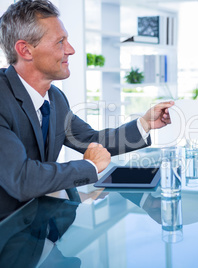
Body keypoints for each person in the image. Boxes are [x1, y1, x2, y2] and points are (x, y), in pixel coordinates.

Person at [0, 0, 174, 219]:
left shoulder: (55, 97)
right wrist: (89, 166)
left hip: (42, 224)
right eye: (60, 42)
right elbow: (22, 179)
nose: (70, 50)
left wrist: (145, 123)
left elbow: (91, 139)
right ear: (25, 50)